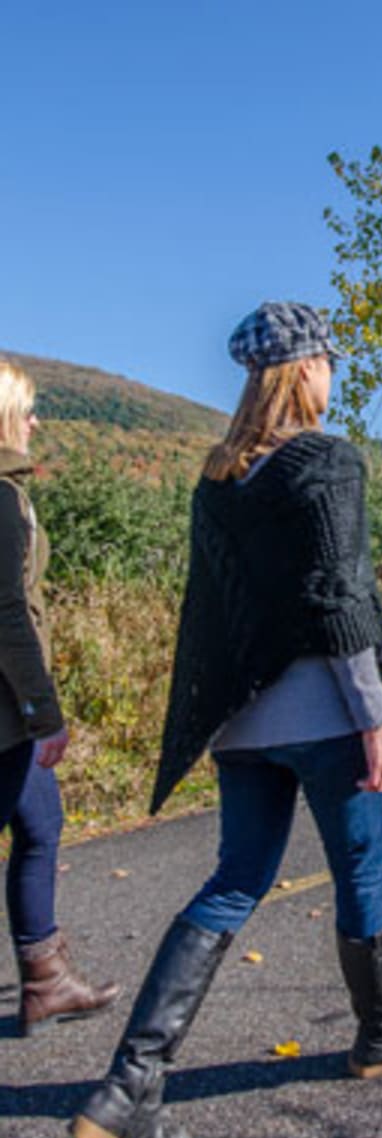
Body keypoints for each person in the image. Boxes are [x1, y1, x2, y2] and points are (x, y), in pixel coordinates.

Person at [70, 302, 382, 1138]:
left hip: (242, 728)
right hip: (327, 716)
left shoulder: (219, 478)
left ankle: (130, 1084)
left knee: (235, 881)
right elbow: (340, 598)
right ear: (306, 368)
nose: (334, 371)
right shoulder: (328, 462)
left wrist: (211, 717)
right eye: (329, 357)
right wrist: (377, 719)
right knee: (361, 868)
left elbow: (214, 615)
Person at [0, 358, 120, 1036]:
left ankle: (46, 979)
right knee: (39, 826)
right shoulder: (3, 498)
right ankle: (45, 979)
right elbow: (9, 615)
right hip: (7, 709)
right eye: (29, 408)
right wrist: (43, 713)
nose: (38, 421)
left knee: (42, 824)